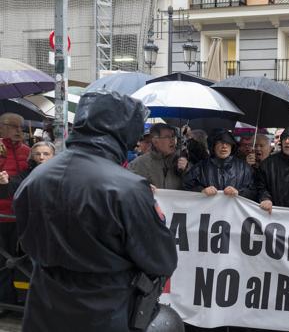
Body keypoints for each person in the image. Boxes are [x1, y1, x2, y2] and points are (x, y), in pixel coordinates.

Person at [13, 91, 177, 332]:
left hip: (43, 306)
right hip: (104, 311)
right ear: (123, 131)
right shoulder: (127, 188)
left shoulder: (37, 177)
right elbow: (162, 260)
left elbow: (26, 239)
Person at [0, 112, 29, 309]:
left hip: (21, 215)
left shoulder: (28, 151)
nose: (19, 130)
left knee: (20, 260)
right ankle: (5, 299)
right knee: (3, 260)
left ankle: (18, 298)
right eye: (13, 126)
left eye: (21, 126)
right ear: (2, 127)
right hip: (1, 216)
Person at [183, 130, 255, 200]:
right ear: (213, 146)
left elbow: (253, 190)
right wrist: (201, 191)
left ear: (232, 146)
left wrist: (239, 193)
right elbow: (186, 186)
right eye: (220, 142)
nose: (224, 146)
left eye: (227, 142)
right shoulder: (200, 167)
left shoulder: (244, 168)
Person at [129, 123, 189, 190]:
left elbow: (195, 187)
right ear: (155, 141)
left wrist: (187, 170)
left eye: (173, 136)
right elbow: (128, 187)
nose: (172, 140)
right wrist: (142, 188)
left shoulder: (182, 159)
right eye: (168, 137)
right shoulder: (138, 163)